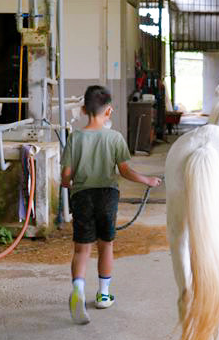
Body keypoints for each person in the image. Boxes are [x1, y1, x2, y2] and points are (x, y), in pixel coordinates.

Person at [60, 85, 161, 324]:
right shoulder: (115, 137)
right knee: (106, 246)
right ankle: (104, 295)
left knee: (81, 249)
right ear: (109, 111)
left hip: (82, 196)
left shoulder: (75, 137)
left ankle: (78, 291)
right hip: (108, 196)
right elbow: (124, 171)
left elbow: (66, 175)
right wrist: (148, 180)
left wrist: (68, 184)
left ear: (83, 109)